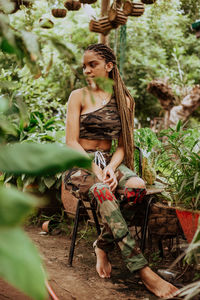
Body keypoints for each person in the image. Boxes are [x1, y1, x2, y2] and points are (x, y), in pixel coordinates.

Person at [64, 43, 178, 299]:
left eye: (92, 64)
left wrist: (113, 168)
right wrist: (97, 169)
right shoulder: (78, 96)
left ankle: (101, 245)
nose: (87, 70)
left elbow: (123, 146)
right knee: (103, 191)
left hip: (111, 162)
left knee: (137, 188)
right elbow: (71, 143)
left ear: (109, 66)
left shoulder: (123, 99)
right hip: (81, 163)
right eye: (84, 66)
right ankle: (141, 269)